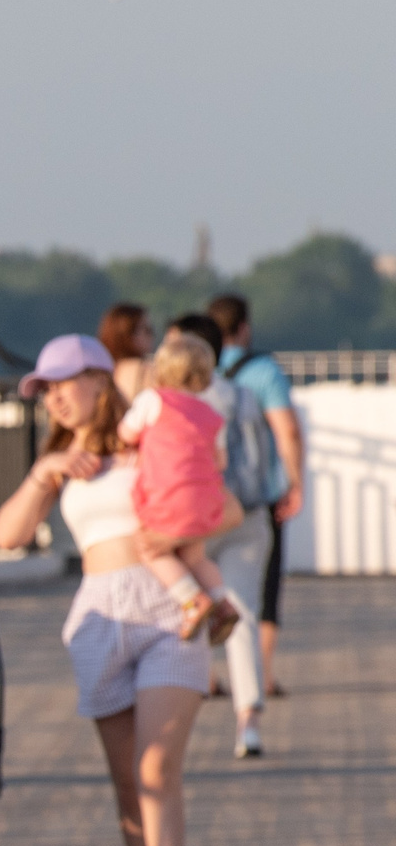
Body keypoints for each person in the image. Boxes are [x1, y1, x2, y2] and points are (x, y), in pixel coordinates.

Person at [0, 335, 205, 846]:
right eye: (44, 389)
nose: (53, 397)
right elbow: (8, 534)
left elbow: (223, 505)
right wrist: (43, 473)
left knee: (155, 768)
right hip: (97, 617)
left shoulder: (150, 432)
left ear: (100, 379)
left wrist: (173, 541)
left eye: (64, 382)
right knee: (125, 784)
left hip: (167, 607)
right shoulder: (61, 454)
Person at [168, 311, 272, 755]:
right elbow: (258, 458)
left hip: (195, 524)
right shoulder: (241, 395)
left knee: (188, 614)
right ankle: (247, 721)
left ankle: (175, 719)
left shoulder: (167, 403)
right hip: (245, 516)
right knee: (242, 611)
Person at [209, 293, 305, 701]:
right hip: (253, 498)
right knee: (261, 589)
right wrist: (294, 481)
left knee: (202, 584)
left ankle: (204, 674)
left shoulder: (201, 371)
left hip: (205, 499)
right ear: (244, 327)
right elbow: (287, 430)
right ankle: (261, 674)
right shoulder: (264, 370)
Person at [117, 333, 243, 642]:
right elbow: (221, 461)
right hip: (205, 499)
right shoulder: (214, 415)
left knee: (151, 550)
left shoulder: (153, 400)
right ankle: (222, 600)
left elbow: (126, 432)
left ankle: (192, 600)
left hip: (167, 497)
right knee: (195, 558)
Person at [99, 302, 152, 401]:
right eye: (147, 329)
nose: (151, 335)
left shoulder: (100, 372)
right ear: (126, 334)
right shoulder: (146, 369)